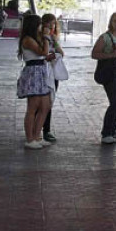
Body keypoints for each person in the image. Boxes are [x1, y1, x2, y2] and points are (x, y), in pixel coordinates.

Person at [91, 12, 116, 145]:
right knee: (115, 102)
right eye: (115, 21)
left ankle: (113, 131)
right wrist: (111, 54)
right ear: (111, 22)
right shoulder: (105, 37)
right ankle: (106, 133)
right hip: (111, 73)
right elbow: (94, 54)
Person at [17, 14, 53, 150]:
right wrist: (46, 37)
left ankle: (37, 135)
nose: (41, 27)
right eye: (39, 24)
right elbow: (43, 52)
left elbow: (43, 54)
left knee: (45, 106)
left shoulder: (35, 38)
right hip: (33, 73)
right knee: (33, 107)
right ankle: (29, 138)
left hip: (41, 70)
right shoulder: (27, 40)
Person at [41, 14, 64, 143]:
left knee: (49, 101)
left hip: (53, 72)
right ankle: (37, 129)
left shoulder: (53, 38)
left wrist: (53, 40)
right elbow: (42, 54)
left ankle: (46, 129)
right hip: (42, 72)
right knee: (40, 102)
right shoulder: (40, 38)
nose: (51, 26)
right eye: (48, 23)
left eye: (53, 24)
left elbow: (61, 53)